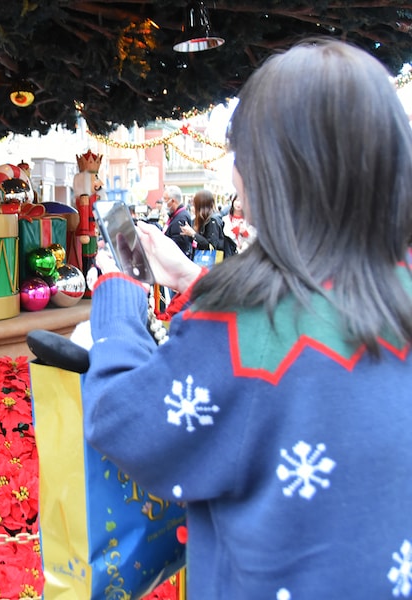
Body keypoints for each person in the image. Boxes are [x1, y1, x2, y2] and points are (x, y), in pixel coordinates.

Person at [81, 38, 412, 599]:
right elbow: (318, 314)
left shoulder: (241, 328)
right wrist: (192, 280)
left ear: (277, 169)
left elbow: (125, 424)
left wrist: (118, 294)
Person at [180, 189, 225, 261]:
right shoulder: (199, 219)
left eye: (194, 204)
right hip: (201, 259)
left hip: (211, 262)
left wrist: (193, 234)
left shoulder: (213, 220)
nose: (192, 206)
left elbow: (212, 246)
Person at [161, 185, 192, 258]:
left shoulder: (181, 218)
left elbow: (177, 243)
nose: (163, 202)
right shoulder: (174, 216)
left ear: (172, 201)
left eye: (165, 199)